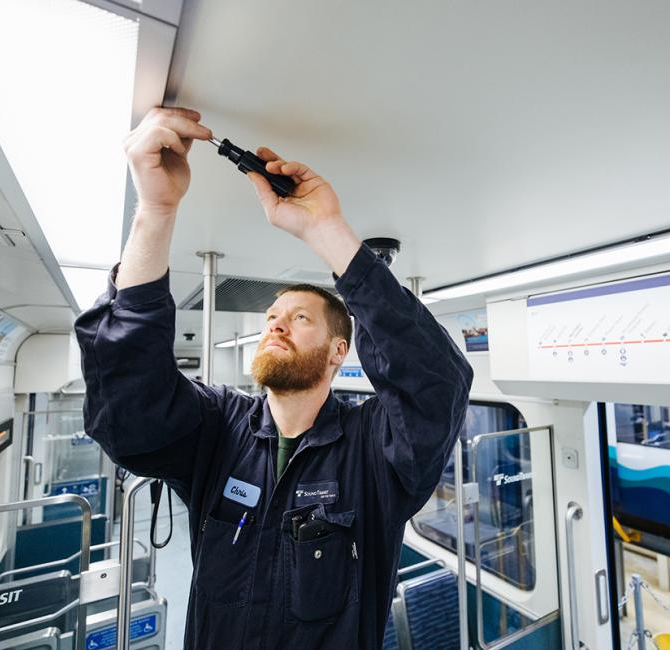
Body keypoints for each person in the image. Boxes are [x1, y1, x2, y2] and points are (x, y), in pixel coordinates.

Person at [74, 107, 473, 649]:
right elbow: (127, 409)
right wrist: (155, 210)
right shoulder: (218, 428)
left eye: (299, 318)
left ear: (339, 352)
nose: (276, 324)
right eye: (271, 318)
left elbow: (437, 383)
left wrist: (326, 232)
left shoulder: (374, 452)